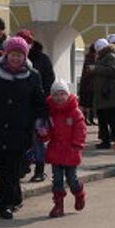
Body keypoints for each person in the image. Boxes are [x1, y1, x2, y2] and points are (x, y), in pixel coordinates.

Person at [0, 36, 47, 219]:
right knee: (4, 166)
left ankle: (4, 203)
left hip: (21, 129)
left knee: (13, 167)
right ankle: (14, 197)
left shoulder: (33, 76)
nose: (16, 58)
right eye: (13, 54)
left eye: (19, 55)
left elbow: (39, 103)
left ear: (25, 56)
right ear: (7, 54)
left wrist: (41, 123)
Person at [44, 80, 88, 218]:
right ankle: (58, 205)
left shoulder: (75, 113)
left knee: (71, 179)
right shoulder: (51, 113)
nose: (59, 97)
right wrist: (44, 134)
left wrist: (77, 145)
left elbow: (81, 130)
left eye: (62, 94)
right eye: (56, 94)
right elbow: (49, 131)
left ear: (68, 95)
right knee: (57, 180)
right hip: (56, 150)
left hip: (71, 151)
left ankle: (79, 193)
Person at [17, 29, 55, 182]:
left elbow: (49, 81)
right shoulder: (13, 59)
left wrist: (43, 100)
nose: (24, 45)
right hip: (18, 107)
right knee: (20, 139)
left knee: (38, 139)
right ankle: (22, 166)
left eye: (27, 42)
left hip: (38, 106)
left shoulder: (43, 59)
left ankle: (39, 170)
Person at [92, 38, 115, 149]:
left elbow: (113, 70)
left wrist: (96, 68)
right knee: (102, 119)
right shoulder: (102, 56)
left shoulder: (110, 56)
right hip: (102, 93)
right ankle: (105, 140)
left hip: (109, 93)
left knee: (112, 119)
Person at [78, 43, 97, 125]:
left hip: (88, 83)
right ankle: (87, 119)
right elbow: (88, 71)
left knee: (89, 103)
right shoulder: (91, 57)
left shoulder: (89, 57)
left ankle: (89, 119)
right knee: (88, 103)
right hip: (89, 83)